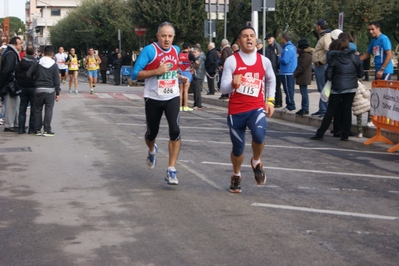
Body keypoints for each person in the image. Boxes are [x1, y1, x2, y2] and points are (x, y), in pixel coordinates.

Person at [220, 26, 276, 193]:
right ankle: (236, 175)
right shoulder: (232, 61)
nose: (249, 39)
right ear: (239, 41)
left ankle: (256, 161)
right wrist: (232, 84)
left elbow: (271, 80)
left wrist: (270, 101)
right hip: (236, 110)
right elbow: (223, 88)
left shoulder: (264, 61)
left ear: (256, 39)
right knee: (238, 148)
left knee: (259, 136)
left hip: (256, 107)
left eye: (252, 36)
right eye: (245, 36)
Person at [131, 21, 188, 185]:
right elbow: (135, 74)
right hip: (153, 97)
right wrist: (157, 71)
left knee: (175, 130)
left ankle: (171, 169)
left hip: (172, 96)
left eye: (170, 36)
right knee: (151, 133)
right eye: (163, 36)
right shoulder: (150, 50)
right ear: (158, 36)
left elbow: (171, 69)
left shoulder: (176, 50)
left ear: (173, 37)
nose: (167, 39)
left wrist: (178, 76)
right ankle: (151, 149)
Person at [310, 38, 363, 141]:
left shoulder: (334, 59)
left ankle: (320, 133)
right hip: (351, 87)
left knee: (331, 111)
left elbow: (329, 75)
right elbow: (360, 74)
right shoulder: (355, 58)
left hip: (337, 87)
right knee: (347, 110)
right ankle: (345, 135)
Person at [27, 45, 61, 137]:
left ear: (44, 53)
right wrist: (57, 93)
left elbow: (29, 74)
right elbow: (57, 80)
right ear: (52, 54)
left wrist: (35, 80)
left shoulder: (37, 62)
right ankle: (47, 130)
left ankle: (37, 130)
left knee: (38, 109)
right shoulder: (54, 65)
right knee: (48, 109)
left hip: (38, 89)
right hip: (50, 90)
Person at [0, 36, 23, 132]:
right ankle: (9, 125)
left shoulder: (11, 52)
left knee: (15, 103)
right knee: (10, 105)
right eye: (20, 43)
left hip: (11, 82)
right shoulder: (11, 54)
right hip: (10, 83)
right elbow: (7, 70)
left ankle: (15, 123)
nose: (21, 45)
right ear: (15, 44)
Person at [312, 19, 332, 117]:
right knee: (321, 88)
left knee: (323, 89)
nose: (316, 27)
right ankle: (322, 108)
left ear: (319, 26)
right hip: (320, 65)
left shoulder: (326, 37)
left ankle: (324, 109)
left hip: (321, 66)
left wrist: (321, 61)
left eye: (317, 26)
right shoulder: (323, 36)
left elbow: (328, 51)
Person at [15, 45, 36, 134]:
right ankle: (31, 129)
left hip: (22, 87)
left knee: (22, 108)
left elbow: (16, 74)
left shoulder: (20, 63)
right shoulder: (36, 63)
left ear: (26, 52)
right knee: (34, 109)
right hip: (33, 87)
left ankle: (21, 128)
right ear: (34, 52)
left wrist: (20, 83)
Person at [293, 39, 313, 115]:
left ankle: (305, 108)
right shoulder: (304, 54)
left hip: (304, 77)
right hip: (302, 76)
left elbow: (302, 66)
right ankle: (304, 107)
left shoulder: (306, 55)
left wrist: (295, 74)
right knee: (303, 92)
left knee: (304, 93)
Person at [279, 32, 297, 112]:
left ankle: (290, 105)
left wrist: (279, 57)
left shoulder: (287, 49)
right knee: (290, 89)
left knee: (288, 89)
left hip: (287, 72)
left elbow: (285, 60)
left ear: (284, 39)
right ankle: (290, 104)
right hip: (291, 71)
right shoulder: (292, 47)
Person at [264, 33, 282, 108]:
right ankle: (273, 101)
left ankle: (278, 102)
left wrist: (278, 67)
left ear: (273, 38)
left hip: (276, 71)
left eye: (269, 38)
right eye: (267, 39)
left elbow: (279, 58)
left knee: (277, 87)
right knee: (271, 87)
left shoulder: (276, 46)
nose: (268, 40)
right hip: (270, 70)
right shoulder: (269, 47)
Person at [178, 42, 194, 111]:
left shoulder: (179, 54)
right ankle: (185, 106)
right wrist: (194, 68)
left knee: (180, 91)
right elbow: (197, 62)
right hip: (187, 73)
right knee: (186, 91)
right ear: (188, 48)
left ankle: (180, 106)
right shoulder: (190, 54)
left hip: (180, 73)